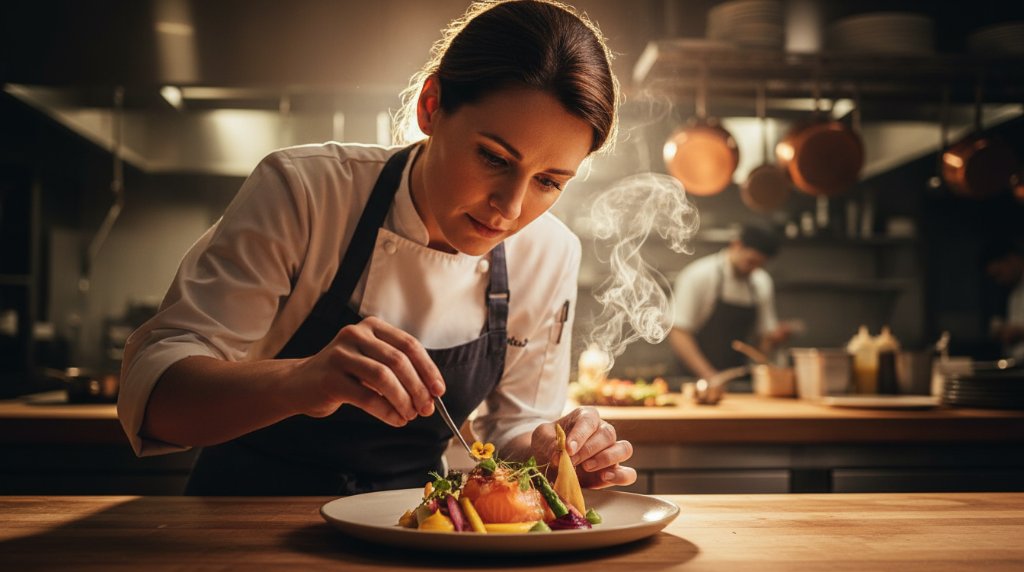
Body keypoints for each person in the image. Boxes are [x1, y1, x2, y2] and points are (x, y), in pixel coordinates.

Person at [118, 0, 636, 496]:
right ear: (431, 107)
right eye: (494, 158)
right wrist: (302, 380)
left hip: (413, 528)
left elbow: (516, 429)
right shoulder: (305, 191)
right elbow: (157, 399)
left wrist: (552, 453)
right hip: (243, 517)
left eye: (548, 181)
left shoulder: (547, 252)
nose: (509, 207)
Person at [668, 223, 790, 381]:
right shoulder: (698, 275)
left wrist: (763, 365)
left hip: (739, 380)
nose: (753, 269)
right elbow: (679, 332)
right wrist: (710, 377)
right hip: (694, 380)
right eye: (751, 262)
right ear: (737, 245)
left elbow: (765, 336)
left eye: (760, 265)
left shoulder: (761, 282)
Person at [986, 247, 1024, 361]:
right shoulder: (1011, 290)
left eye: (999, 273)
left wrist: (1019, 332)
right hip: (1015, 362)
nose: (999, 281)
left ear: (1012, 260)